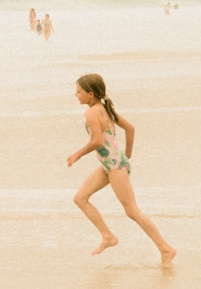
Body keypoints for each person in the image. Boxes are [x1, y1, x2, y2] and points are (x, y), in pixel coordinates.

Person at [66, 74, 177, 267]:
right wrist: (127, 155)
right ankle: (108, 236)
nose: (76, 94)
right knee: (80, 198)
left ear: (90, 94)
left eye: (78, 91)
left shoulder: (92, 112)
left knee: (132, 211)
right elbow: (130, 128)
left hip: (115, 166)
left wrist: (78, 154)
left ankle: (166, 248)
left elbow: (98, 141)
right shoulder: (104, 108)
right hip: (112, 165)